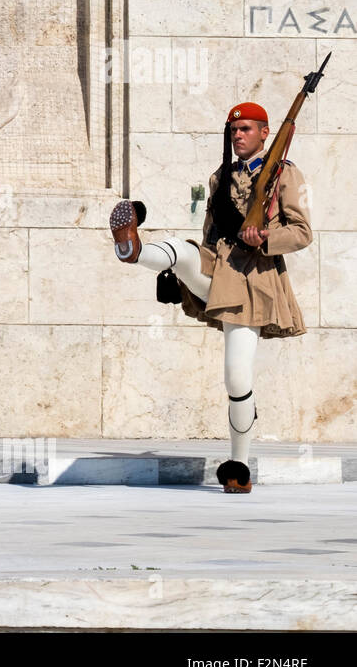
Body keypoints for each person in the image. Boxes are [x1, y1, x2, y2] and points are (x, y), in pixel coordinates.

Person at [110, 101, 312, 493]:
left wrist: (267, 238)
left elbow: (302, 231)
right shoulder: (220, 176)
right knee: (183, 251)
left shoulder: (285, 175)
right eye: (234, 130)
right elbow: (208, 234)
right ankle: (135, 251)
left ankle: (238, 463)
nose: (238, 136)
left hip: (253, 279)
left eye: (247, 130)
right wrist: (182, 277)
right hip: (217, 266)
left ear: (265, 134)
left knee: (237, 377)